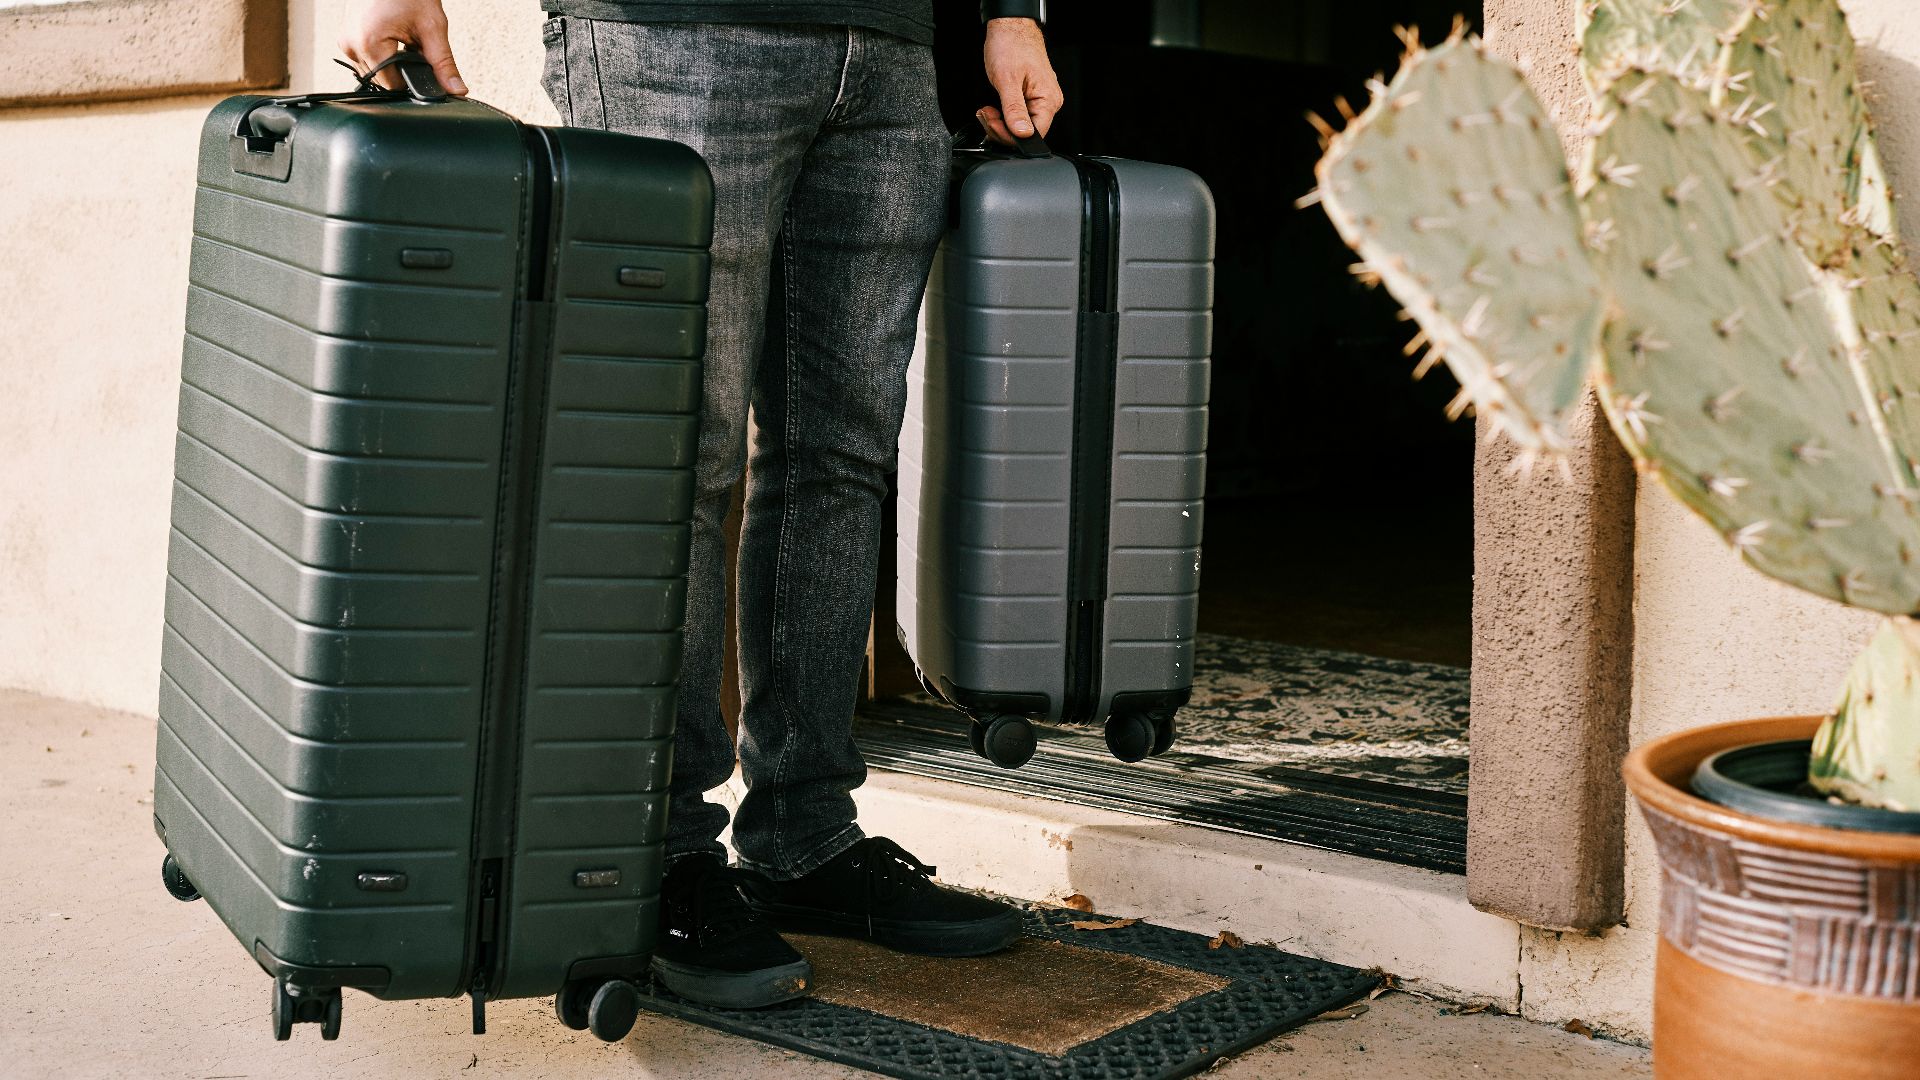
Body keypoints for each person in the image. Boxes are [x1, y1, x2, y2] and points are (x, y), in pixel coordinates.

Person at [342, 0, 1063, 1009]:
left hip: (894, 51)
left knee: (840, 457)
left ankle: (804, 835)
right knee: (676, 457)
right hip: (671, 35)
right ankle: (656, 858)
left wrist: (1012, 14)